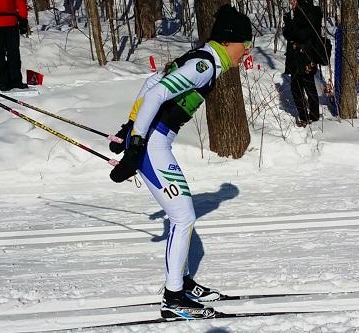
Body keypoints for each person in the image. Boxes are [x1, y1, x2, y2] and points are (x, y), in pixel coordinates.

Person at [108, 4, 252, 320]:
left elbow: (150, 84)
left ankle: (182, 284)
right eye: (246, 44)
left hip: (154, 140)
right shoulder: (204, 66)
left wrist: (128, 128)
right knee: (184, 217)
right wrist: (135, 143)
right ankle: (173, 299)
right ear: (229, 41)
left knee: (182, 216)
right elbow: (158, 92)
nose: (247, 51)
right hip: (154, 144)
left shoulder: (200, 58)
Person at [283, 0, 323, 127]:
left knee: (299, 87)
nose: (291, 2)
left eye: (293, 0)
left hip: (304, 56)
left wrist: (289, 22)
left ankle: (308, 117)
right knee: (302, 86)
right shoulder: (304, 11)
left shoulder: (306, 12)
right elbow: (289, 34)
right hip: (300, 56)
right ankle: (311, 116)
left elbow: (300, 34)